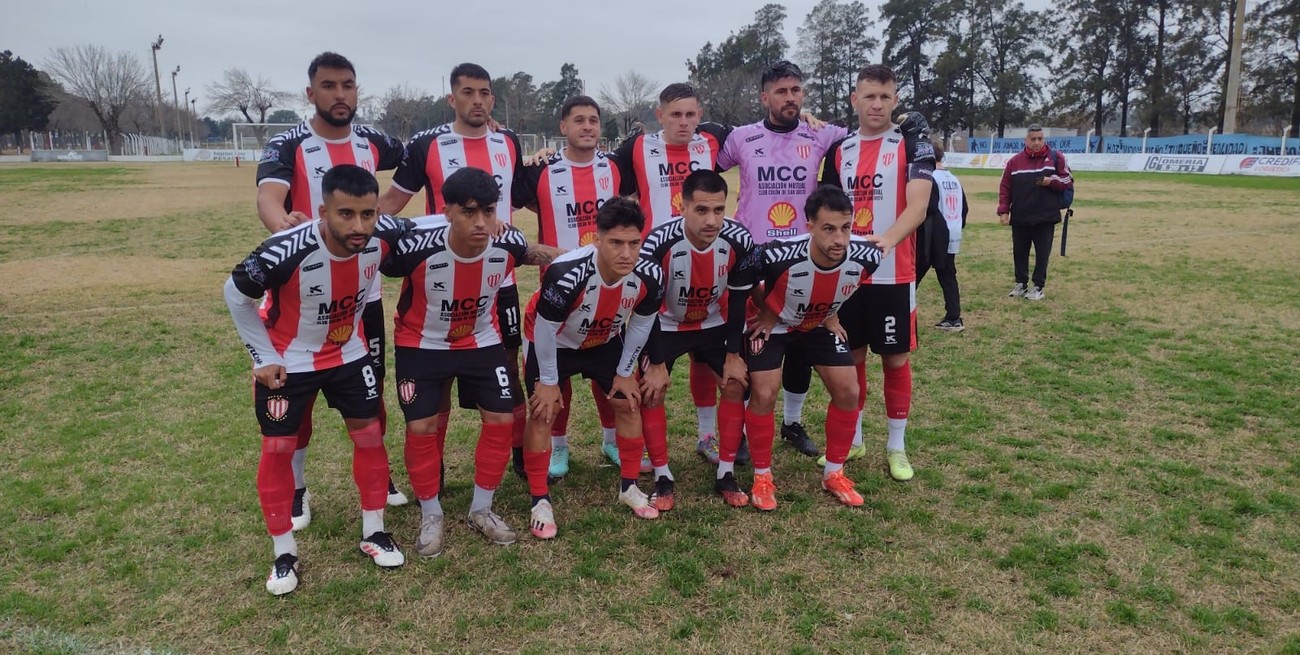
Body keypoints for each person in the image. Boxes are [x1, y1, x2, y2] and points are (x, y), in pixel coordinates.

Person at [225, 165, 410, 595]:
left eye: (368, 214)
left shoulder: (384, 234)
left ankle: (374, 531)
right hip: (290, 360)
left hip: (349, 354)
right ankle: (284, 554)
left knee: (370, 437)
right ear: (323, 211)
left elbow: (437, 226)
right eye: (346, 214)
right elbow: (235, 295)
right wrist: (263, 356)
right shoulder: (284, 249)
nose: (359, 225)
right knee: (277, 448)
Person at [255, 51, 408, 530]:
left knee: (370, 389)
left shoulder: (374, 141)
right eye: (328, 86)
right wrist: (283, 225)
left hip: (361, 295)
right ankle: (298, 489)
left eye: (347, 85)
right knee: (296, 401)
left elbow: (417, 164)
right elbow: (269, 197)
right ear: (310, 93)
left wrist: (383, 213)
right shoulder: (290, 143)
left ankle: (377, 482)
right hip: (305, 293)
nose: (339, 95)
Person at [380, 168, 556, 558]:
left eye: (488, 212)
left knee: (501, 418)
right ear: (447, 213)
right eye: (469, 212)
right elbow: (371, 243)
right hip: (421, 343)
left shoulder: (506, 241)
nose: (480, 222)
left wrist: (585, 254)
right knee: (421, 424)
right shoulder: (413, 246)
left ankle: (481, 509)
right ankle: (431, 513)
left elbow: (532, 253)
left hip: (480, 340)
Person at [380, 63, 531, 478]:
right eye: (467, 92)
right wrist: (351, 225)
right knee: (438, 377)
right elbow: (394, 200)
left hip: (499, 279)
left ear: (493, 99)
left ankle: (518, 455)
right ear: (452, 98)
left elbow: (520, 194)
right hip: (439, 276)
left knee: (507, 363)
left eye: (484, 92)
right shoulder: (427, 144)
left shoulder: (509, 141)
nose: (477, 100)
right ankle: (436, 466)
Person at [715, 60, 851, 460]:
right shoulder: (741, 138)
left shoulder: (820, 133)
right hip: (754, 256)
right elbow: (703, 159)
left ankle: (792, 423)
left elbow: (864, 137)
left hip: (804, 257)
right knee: (751, 340)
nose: (790, 97)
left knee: (799, 340)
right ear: (764, 97)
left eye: (796, 90)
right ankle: (739, 428)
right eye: (781, 91)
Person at [728, 186, 883, 510]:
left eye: (845, 228)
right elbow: (741, 278)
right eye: (828, 228)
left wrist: (830, 313)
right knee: (765, 392)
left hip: (816, 324)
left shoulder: (870, 256)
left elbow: (844, 282)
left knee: (849, 390)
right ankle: (762, 476)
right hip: (775, 325)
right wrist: (767, 311)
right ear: (809, 226)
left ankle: (834, 473)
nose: (838, 239)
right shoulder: (775, 252)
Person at [520, 197, 665, 538]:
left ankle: (629, 486)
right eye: (616, 243)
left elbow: (642, 324)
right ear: (597, 239)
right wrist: (550, 380)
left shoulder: (650, 272)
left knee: (628, 401)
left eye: (634, 243)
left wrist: (626, 371)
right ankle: (539, 500)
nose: (626, 253)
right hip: (553, 340)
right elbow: (543, 328)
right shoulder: (566, 272)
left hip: (604, 338)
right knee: (543, 410)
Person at [819, 64, 935, 481]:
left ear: (895, 100)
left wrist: (886, 241)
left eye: (885, 96)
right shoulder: (841, 150)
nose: (877, 104)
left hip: (893, 273)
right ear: (855, 100)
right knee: (853, 358)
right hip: (848, 274)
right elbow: (826, 210)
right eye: (869, 96)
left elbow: (918, 207)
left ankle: (897, 446)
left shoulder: (910, 145)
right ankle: (854, 439)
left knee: (895, 359)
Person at [611, 83, 731, 460]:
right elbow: (596, 167)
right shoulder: (637, 147)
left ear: (700, 115)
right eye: (675, 114)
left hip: (704, 262)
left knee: (702, 348)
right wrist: (546, 154)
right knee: (650, 363)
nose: (684, 122)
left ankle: (707, 435)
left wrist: (810, 120)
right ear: (659, 114)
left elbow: (765, 133)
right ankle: (642, 442)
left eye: (691, 114)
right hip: (653, 268)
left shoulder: (713, 140)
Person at [511, 95, 622, 479]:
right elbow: (507, 194)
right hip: (558, 298)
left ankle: (611, 441)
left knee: (605, 376)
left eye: (593, 120)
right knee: (556, 379)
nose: (588, 126)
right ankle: (559, 448)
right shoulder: (540, 171)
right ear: (563, 127)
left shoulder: (616, 166)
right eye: (579, 120)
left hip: (609, 294)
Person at [638, 170, 755, 511]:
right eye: (702, 210)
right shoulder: (659, 242)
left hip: (713, 323)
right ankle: (662, 475)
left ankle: (726, 473)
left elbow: (737, 301)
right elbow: (647, 307)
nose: (712, 219)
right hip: (666, 323)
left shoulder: (737, 239)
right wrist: (657, 363)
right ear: (683, 206)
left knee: (735, 383)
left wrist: (733, 354)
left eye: (718, 210)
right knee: (652, 389)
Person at [997, 124, 1073, 301]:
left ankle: (1038, 286)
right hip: (1021, 215)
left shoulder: (1056, 158)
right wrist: (1003, 210)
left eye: (1040, 139)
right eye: (1033, 139)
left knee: (1042, 253)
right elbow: (1005, 187)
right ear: (1026, 141)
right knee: (1019, 252)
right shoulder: (1014, 162)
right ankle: (1020, 283)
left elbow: (1067, 180)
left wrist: (1051, 181)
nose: (1037, 142)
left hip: (1045, 216)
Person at [915, 141, 969, 332]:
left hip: (934, 236)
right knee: (948, 276)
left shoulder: (929, 178)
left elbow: (926, 208)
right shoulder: (953, 178)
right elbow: (965, 208)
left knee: (913, 275)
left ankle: (903, 314)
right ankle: (954, 317)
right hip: (953, 233)